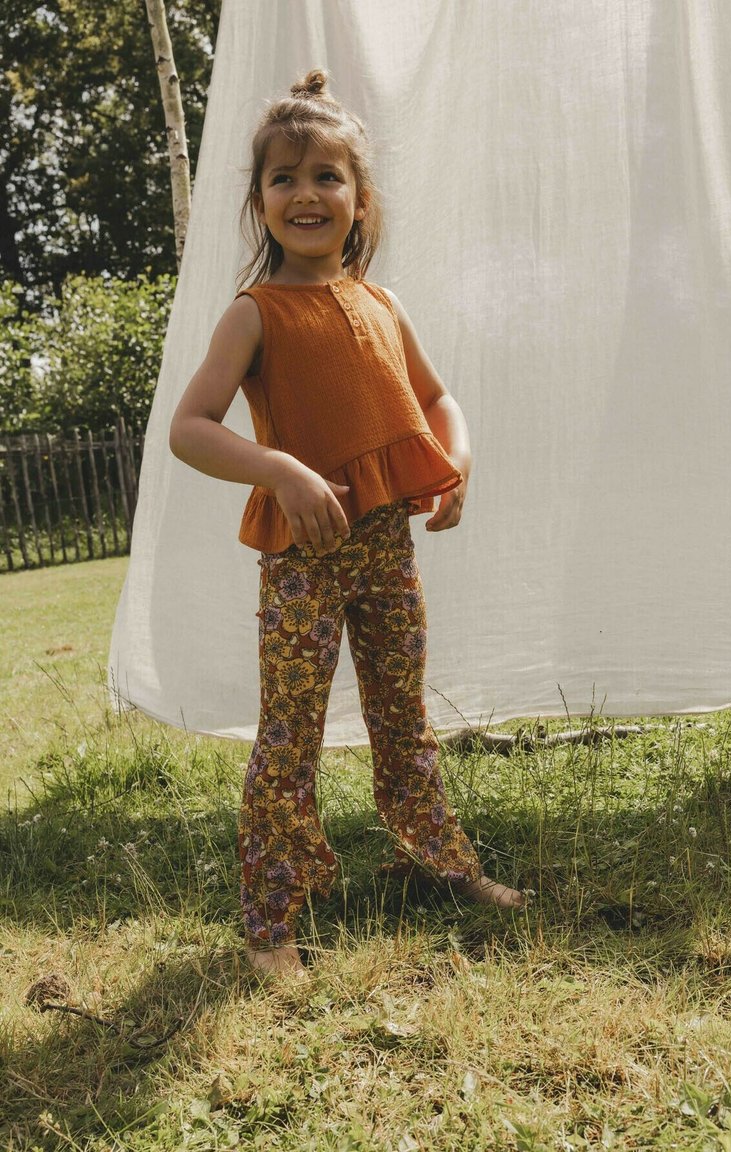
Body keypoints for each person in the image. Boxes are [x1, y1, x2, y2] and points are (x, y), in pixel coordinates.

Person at [169, 69, 526, 978]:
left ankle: (438, 862)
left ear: (359, 199)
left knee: (403, 716)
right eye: (283, 178)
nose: (306, 194)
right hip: (305, 559)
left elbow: (438, 400)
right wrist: (280, 467)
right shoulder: (256, 314)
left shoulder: (382, 303)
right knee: (288, 736)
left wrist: (460, 464)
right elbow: (190, 428)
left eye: (327, 175)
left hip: (386, 550)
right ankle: (272, 921)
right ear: (258, 203)